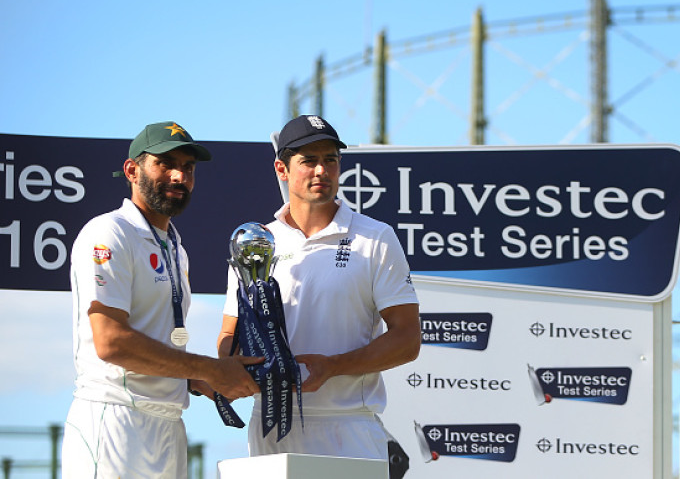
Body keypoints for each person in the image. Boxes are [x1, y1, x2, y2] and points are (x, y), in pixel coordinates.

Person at [62, 121, 262, 478]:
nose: (178, 176)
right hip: (114, 421)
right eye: (165, 164)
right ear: (132, 170)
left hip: (169, 425)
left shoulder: (174, 247)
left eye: (188, 167)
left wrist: (204, 382)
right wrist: (209, 369)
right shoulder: (109, 232)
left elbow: (161, 342)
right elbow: (110, 343)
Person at [218, 114, 421, 460]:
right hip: (270, 426)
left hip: (349, 427)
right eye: (308, 161)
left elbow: (407, 340)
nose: (321, 171)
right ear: (281, 169)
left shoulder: (376, 237)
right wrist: (238, 370)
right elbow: (229, 337)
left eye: (331, 160)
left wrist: (334, 366)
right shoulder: (258, 242)